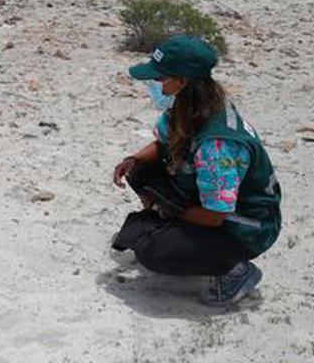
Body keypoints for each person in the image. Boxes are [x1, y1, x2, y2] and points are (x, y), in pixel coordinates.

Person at [111, 35, 282, 306]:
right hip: (204, 198)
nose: (154, 84)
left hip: (243, 227)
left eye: (159, 78)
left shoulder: (218, 145)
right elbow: (163, 144)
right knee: (140, 171)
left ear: (181, 81)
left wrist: (172, 210)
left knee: (153, 252)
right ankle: (173, 229)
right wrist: (132, 159)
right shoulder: (190, 106)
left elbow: (215, 215)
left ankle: (235, 269)